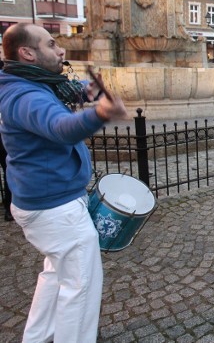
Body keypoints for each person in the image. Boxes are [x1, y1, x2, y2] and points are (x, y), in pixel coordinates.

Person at [0, 23, 127, 342]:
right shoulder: (23, 95)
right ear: (27, 53)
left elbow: (63, 90)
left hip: (48, 203)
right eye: (52, 45)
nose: (61, 51)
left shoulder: (31, 82)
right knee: (80, 287)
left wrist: (89, 91)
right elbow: (60, 127)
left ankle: (37, 337)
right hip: (55, 209)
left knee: (56, 275)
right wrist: (99, 112)